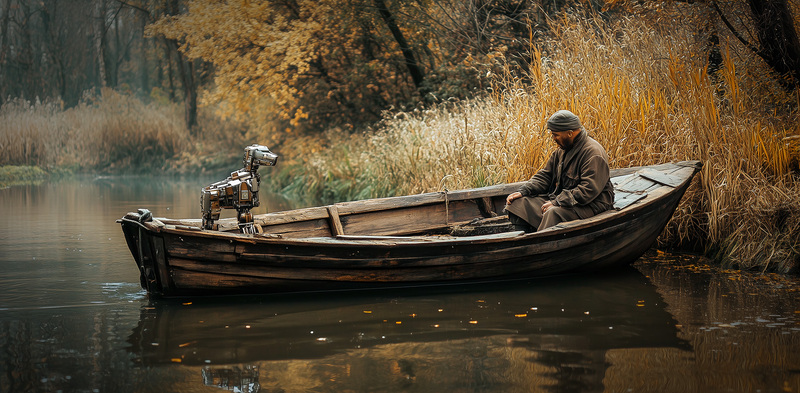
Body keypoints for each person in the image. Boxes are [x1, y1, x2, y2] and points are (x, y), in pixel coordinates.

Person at [505, 110, 614, 232]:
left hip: (592, 204)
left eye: (555, 135)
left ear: (569, 133)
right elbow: (546, 175)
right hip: (566, 200)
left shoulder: (593, 153)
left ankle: (540, 244)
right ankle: (525, 238)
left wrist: (557, 202)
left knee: (553, 213)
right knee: (518, 204)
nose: (553, 138)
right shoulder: (563, 149)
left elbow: (588, 190)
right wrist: (523, 191)